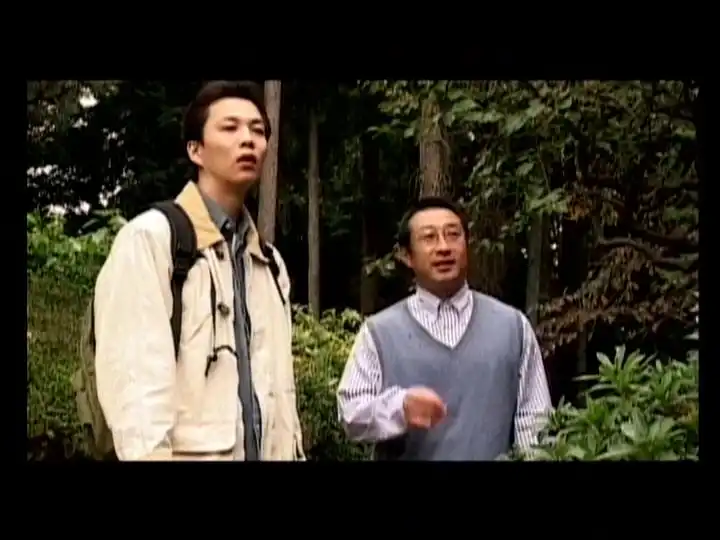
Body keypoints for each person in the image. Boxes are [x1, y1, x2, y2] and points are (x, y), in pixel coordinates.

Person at [91, 81, 305, 461]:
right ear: (196, 149)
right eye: (230, 127)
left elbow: (282, 399)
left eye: (258, 130)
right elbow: (136, 398)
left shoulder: (269, 263)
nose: (248, 140)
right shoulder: (152, 239)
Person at [336, 197, 552, 460]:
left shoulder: (513, 327)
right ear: (406, 255)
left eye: (453, 235)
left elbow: (534, 420)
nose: (444, 247)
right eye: (429, 237)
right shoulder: (378, 333)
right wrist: (400, 408)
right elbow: (350, 412)